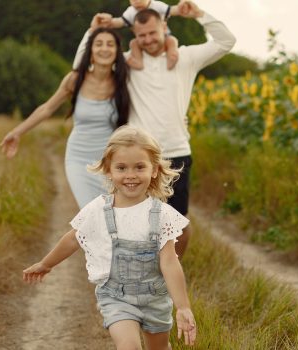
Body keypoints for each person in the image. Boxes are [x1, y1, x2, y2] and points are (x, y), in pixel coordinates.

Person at [76, 0, 236, 259]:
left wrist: (199, 15)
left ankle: (168, 275)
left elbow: (226, 42)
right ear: (135, 38)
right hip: (138, 159)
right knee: (132, 224)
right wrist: (91, 32)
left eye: (153, 33)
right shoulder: (127, 62)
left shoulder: (185, 57)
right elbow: (85, 66)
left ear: (164, 27)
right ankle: (129, 279)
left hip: (176, 152)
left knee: (179, 225)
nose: (149, 40)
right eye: (142, 36)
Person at [22, 125, 197, 348]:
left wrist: (182, 306)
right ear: (108, 170)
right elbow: (74, 238)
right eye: (121, 168)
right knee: (129, 347)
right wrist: (46, 264)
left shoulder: (162, 214)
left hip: (155, 298)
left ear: (154, 169)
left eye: (139, 167)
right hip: (117, 297)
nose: (130, 175)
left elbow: (170, 261)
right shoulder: (99, 209)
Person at [0, 27, 131, 209]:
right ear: (91, 51)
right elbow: (46, 109)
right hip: (79, 159)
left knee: (113, 215)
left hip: (113, 162)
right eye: (98, 44)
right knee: (91, 213)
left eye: (110, 44)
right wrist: (16, 132)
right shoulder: (74, 79)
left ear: (117, 52)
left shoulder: (125, 82)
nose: (104, 49)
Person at [108, 0, 181, 70]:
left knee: (171, 40)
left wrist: (181, 8)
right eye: (133, 0)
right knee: (133, 43)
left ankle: (172, 55)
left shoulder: (156, 5)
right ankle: (137, 60)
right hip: (140, 39)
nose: (137, 2)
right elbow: (121, 21)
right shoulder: (131, 11)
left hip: (164, 35)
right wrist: (110, 22)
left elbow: (172, 10)